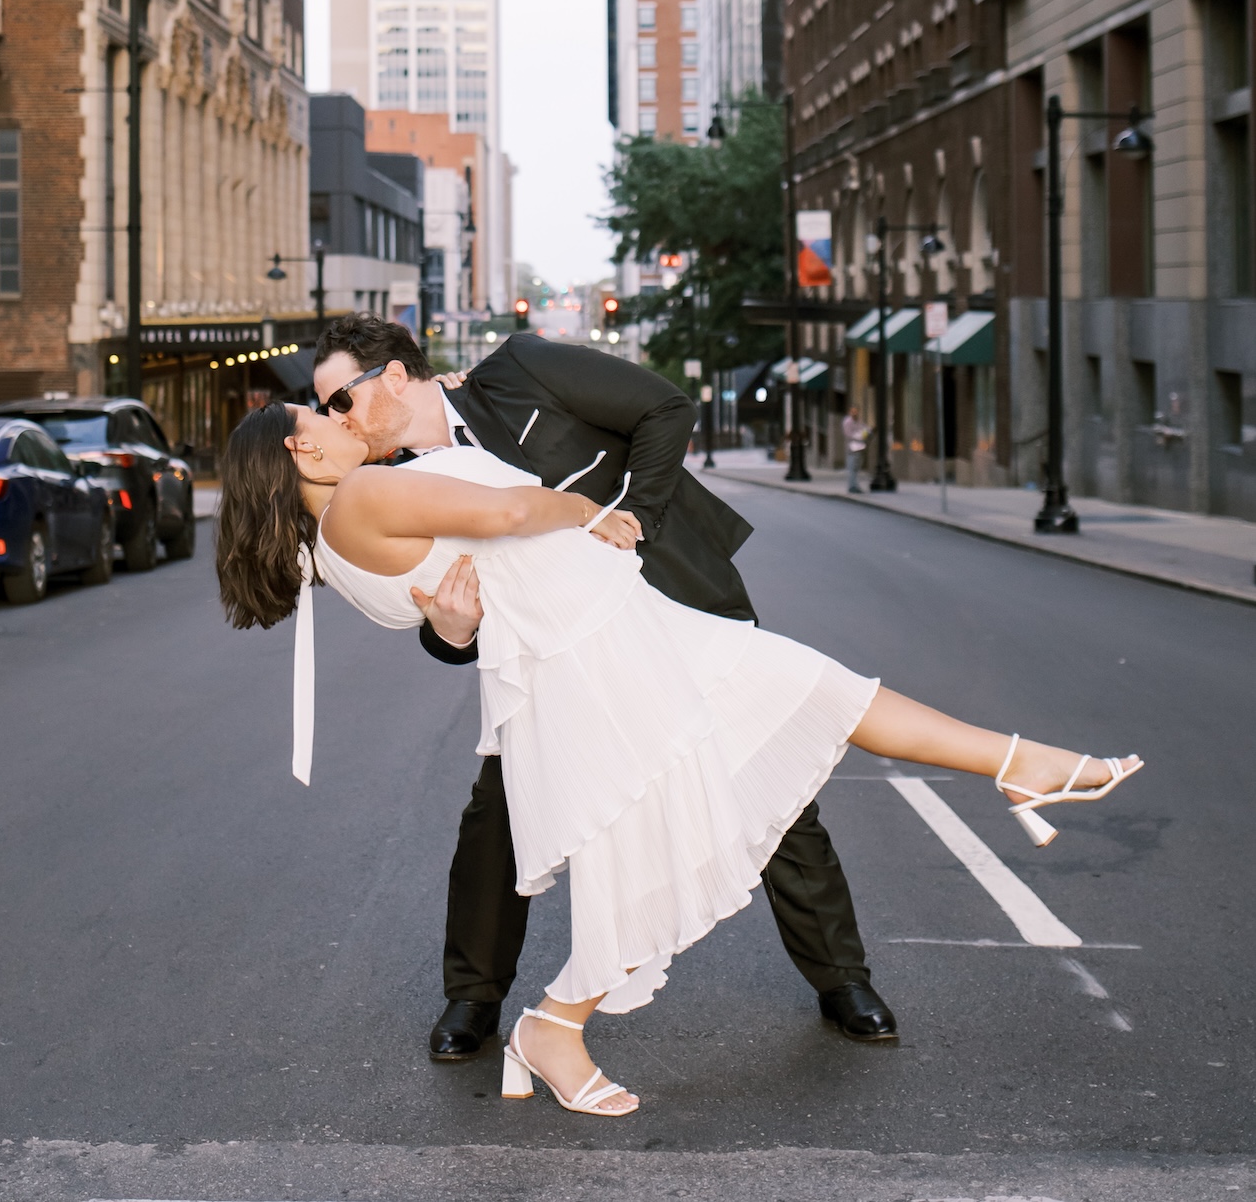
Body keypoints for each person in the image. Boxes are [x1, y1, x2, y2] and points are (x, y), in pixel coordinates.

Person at [216, 401, 1142, 1121]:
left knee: (825, 691)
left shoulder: (330, 560)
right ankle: (552, 1030)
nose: (339, 421)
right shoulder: (368, 497)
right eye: (321, 419)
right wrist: (590, 510)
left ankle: (1024, 762)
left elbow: (453, 608)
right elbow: (504, 513)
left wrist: (458, 619)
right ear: (300, 453)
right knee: (650, 859)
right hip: (601, 663)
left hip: (615, 643)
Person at [311, 315, 896, 1062]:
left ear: (393, 376)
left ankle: (843, 979)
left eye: (341, 402)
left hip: (673, 600)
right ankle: (472, 998)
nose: (339, 423)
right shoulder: (398, 484)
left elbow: (664, 408)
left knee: (766, 782)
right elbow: (436, 601)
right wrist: (451, 632)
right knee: (499, 809)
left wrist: (635, 517)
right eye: (327, 411)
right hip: (553, 658)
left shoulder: (522, 368)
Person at [842, 407, 869, 494]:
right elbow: (849, 435)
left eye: (856, 412)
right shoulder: (847, 422)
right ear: (849, 412)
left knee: (856, 468)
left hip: (859, 447)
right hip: (852, 447)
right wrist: (859, 436)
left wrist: (866, 432)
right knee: (852, 467)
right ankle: (852, 486)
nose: (855, 413)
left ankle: (855, 485)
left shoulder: (859, 421)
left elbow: (864, 430)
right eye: (853, 412)